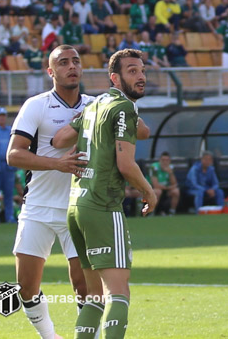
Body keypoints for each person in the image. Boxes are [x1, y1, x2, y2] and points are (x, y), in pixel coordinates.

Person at [52, 48, 157, 339]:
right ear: (115, 77)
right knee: (119, 292)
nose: (141, 77)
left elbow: (58, 139)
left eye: (143, 71)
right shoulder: (123, 107)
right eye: (132, 71)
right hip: (102, 205)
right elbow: (125, 164)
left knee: (94, 297)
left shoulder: (95, 105)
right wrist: (149, 190)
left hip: (76, 206)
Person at [6, 45, 95, 338]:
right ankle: (50, 336)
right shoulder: (36, 105)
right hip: (39, 208)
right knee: (26, 288)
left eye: (76, 62)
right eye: (63, 62)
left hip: (80, 208)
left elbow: (139, 130)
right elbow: (14, 155)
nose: (71, 66)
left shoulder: (97, 105)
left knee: (84, 286)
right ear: (51, 71)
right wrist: (57, 164)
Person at [148, 151, 180, 216]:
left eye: (167, 160)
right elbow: (155, 185)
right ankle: (151, 212)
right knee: (158, 192)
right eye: (163, 160)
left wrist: (170, 173)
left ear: (169, 161)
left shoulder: (170, 167)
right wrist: (169, 187)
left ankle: (172, 212)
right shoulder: (154, 167)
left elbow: (174, 183)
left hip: (166, 189)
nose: (165, 162)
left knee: (176, 191)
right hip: (153, 188)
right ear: (159, 160)